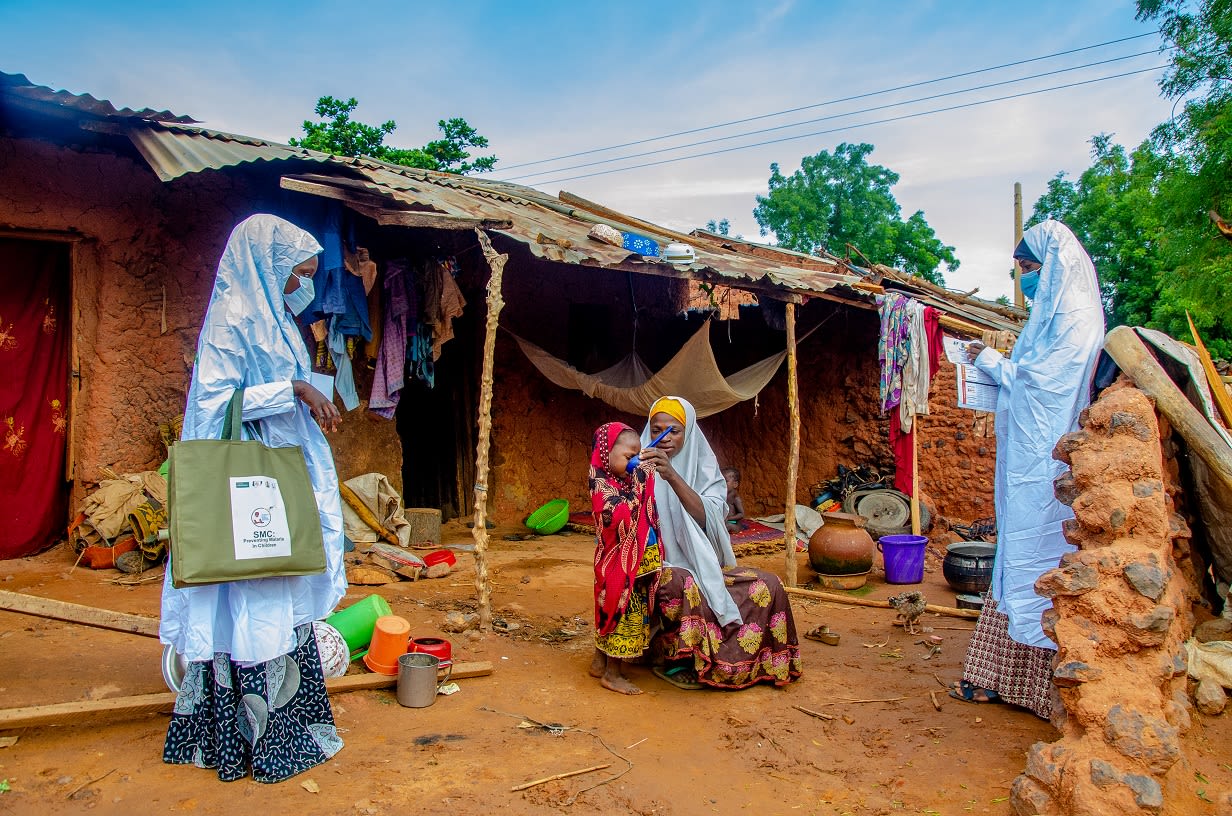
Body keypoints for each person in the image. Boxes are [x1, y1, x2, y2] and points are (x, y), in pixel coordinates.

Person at [160, 214, 348, 782]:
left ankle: (285, 729)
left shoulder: (280, 320)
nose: (303, 285)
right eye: (297, 273)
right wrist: (292, 388)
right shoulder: (231, 319)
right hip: (248, 484)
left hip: (281, 474)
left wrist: (310, 392)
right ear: (265, 266)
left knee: (280, 584)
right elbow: (213, 407)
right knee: (253, 589)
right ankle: (253, 741)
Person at [949, 220, 1104, 718]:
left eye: (1031, 268)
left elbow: (1044, 388)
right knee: (1016, 554)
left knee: (1039, 559)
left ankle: (1039, 690)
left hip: (1048, 463)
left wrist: (994, 362)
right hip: (1030, 462)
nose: (1025, 279)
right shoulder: (1052, 318)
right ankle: (997, 678)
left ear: (1055, 268)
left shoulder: (1076, 319)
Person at [637, 396, 802, 690]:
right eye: (656, 429)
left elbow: (711, 523)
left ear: (688, 433)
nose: (664, 437)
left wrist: (672, 476)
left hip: (706, 566)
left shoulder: (704, 470)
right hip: (662, 566)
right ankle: (678, 661)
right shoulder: (638, 470)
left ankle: (755, 663)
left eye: (674, 430)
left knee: (769, 584)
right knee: (680, 581)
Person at [587, 422, 662, 695]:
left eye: (637, 457)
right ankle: (613, 673)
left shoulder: (622, 480)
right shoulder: (601, 484)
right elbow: (616, 517)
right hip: (618, 564)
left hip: (628, 562)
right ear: (607, 454)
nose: (633, 463)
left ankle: (599, 662)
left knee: (607, 607)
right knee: (621, 610)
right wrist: (641, 483)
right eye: (628, 457)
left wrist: (640, 479)